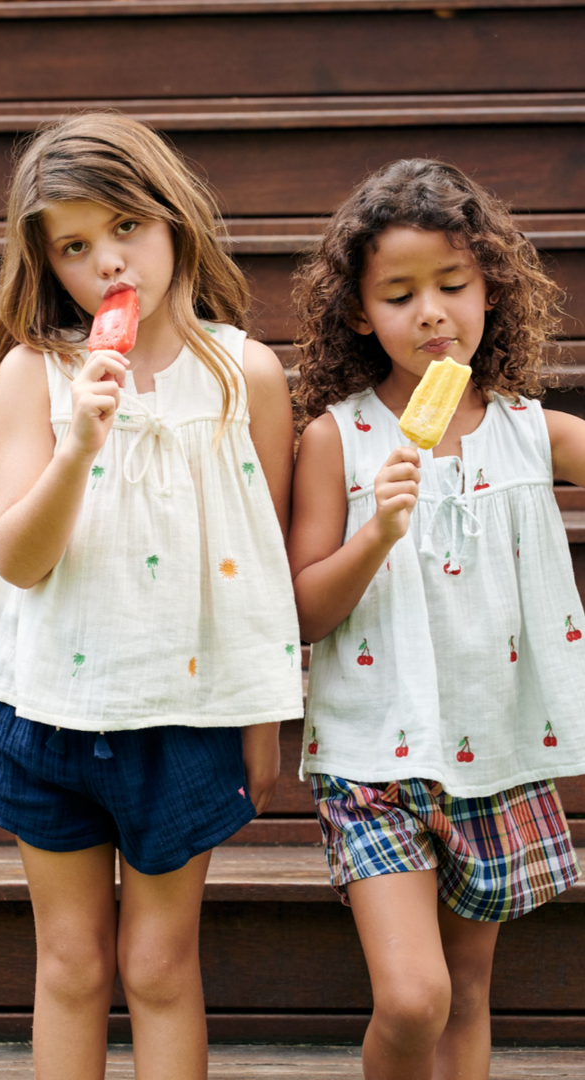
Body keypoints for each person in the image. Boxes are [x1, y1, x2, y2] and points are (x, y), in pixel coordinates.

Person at [0, 113, 302, 1079]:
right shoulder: (35, 375)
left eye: (127, 227)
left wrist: (260, 719)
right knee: (70, 960)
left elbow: (259, 564)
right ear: (47, 264)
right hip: (46, 704)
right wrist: (77, 448)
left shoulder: (247, 376)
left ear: (176, 219)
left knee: (160, 961)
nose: (109, 261)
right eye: (75, 246)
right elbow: (18, 560)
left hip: (185, 716)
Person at [289, 158, 584, 1080]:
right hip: (373, 755)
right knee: (414, 998)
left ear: (491, 286)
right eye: (400, 293)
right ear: (357, 313)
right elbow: (304, 608)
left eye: (453, 285)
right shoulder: (337, 438)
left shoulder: (534, 432)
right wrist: (378, 528)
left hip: (493, 749)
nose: (431, 313)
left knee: (465, 991)